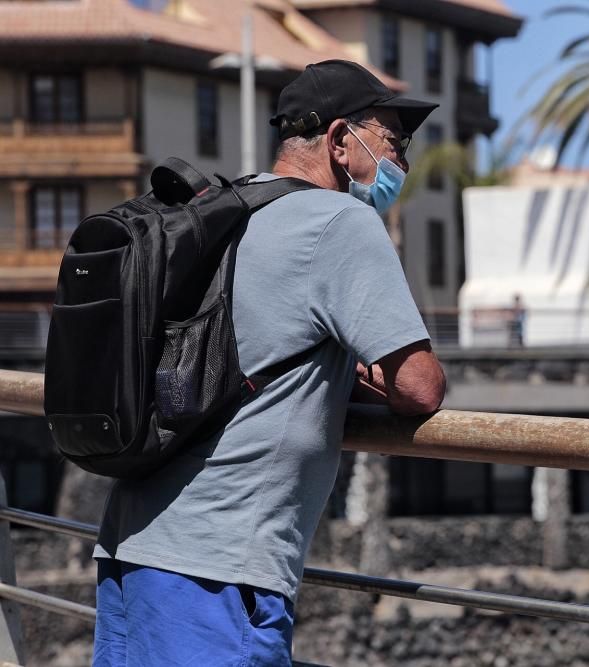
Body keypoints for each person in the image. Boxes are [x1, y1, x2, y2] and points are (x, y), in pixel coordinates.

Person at [91, 60, 447, 666]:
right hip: (219, 570)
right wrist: (362, 370)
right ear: (340, 140)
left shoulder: (227, 208)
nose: (401, 165)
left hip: (130, 549)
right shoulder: (341, 222)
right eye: (394, 142)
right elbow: (420, 387)